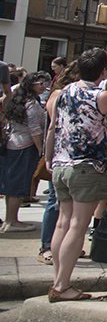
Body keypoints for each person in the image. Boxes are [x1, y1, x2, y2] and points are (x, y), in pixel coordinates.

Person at [44, 48, 107, 302]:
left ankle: (59, 279)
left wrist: (48, 157)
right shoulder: (102, 96)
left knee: (63, 222)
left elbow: (53, 127)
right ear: (103, 71)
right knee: (78, 225)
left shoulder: (62, 92)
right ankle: (62, 285)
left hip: (61, 163)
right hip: (87, 165)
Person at [38, 61, 81, 263]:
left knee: (68, 206)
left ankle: (64, 245)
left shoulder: (67, 94)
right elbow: (52, 127)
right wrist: (48, 156)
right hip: (60, 155)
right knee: (55, 203)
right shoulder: (60, 95)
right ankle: (47, 246)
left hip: (68, 156)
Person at [2, 71, 49, 232]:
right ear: (31, 85)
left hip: (12, 144)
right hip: (25, 147)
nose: (44, 86)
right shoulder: (31, 104)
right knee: (18, 185)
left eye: (45, 83)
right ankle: (12, 221)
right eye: (40, 83)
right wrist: (41, 149)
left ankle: (9, 219)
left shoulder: (17, 99)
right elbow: (35, 130)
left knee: (12, 185)